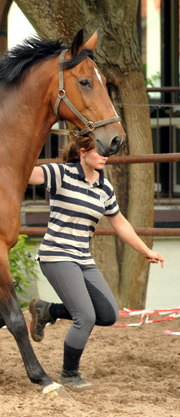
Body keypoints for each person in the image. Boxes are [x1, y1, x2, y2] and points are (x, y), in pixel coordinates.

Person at [27, 136, 164, 389]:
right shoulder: (61, 174)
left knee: (108, 313)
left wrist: (146, 250)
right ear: (82, 152)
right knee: (85, 316)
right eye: (99, 151)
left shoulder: (104, 187)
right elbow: (25, 174)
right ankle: (69, 373)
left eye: (106, 154)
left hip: (82, 257)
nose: (104, 156)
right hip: (56, 254)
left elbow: (119, 221)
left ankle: (48, 311)